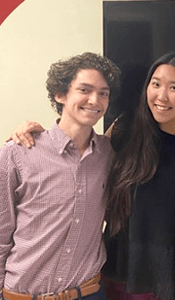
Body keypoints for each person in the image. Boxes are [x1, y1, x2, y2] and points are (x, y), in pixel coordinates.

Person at [7, 52, 175, 300]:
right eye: (155, 84)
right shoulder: (125, 131)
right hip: (120, 272)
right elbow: (73, 147)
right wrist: (34, 136)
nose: (162, 96)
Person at [0, 52, 120, 300]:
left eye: (103, 93)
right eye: (84, 90)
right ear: (60, 94)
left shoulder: (108, 154)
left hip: (88, 292)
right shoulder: (17, 154)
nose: (94, 100)